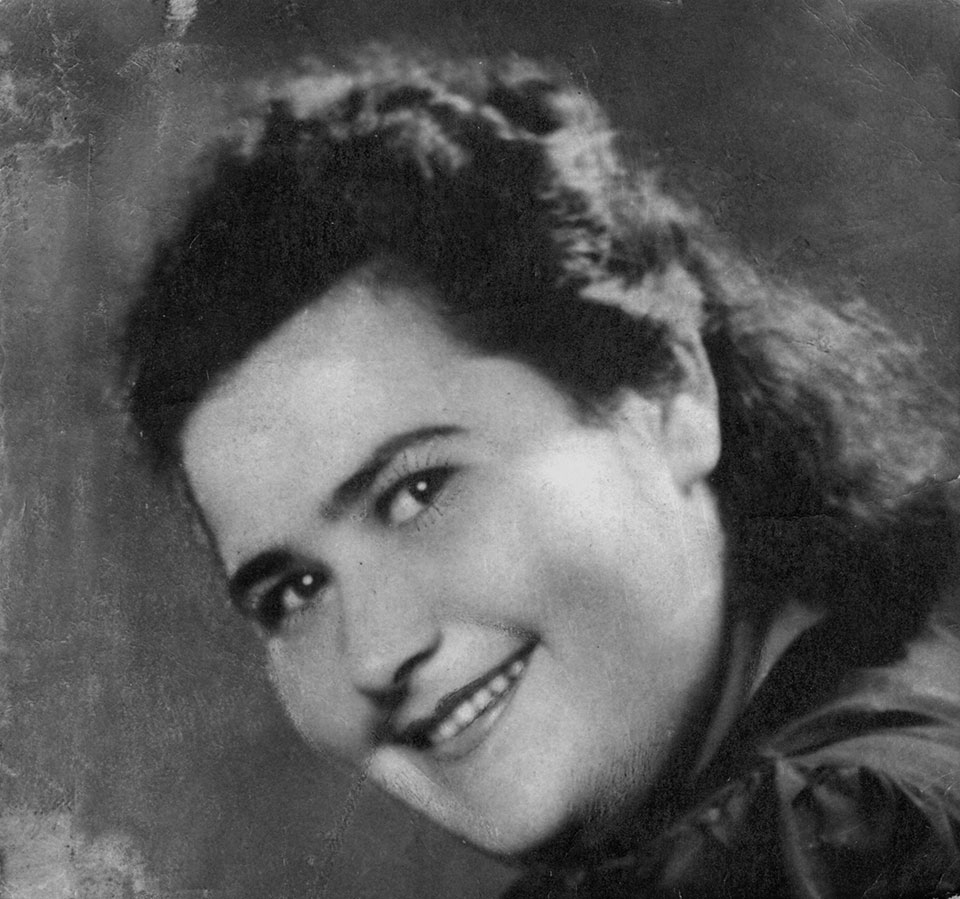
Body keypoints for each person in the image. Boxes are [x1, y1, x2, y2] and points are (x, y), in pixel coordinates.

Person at [122, 50, 960, 898]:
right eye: (294, 591)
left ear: (671, 395)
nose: (375, 652)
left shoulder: (846, 849)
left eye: (417, 491)